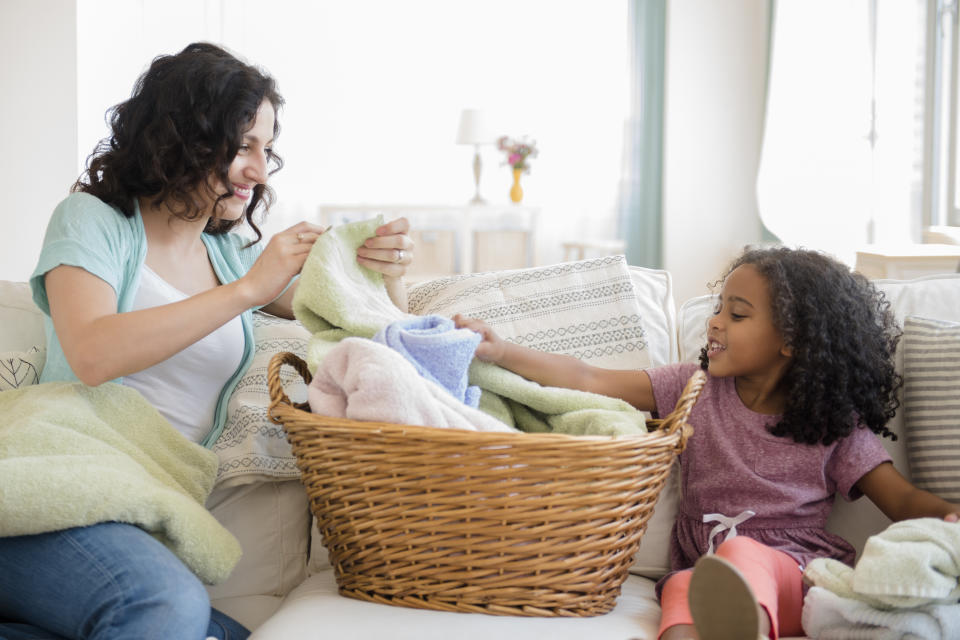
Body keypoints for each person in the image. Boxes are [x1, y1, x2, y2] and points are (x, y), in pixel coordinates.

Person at [0, 42, 414, 640]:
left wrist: (388, 272)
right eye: (242, 145)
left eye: (267, 150)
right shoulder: (93, 220)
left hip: (140, 503)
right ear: (180, 136)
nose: (259, 170)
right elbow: (92, 352)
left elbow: (366, 329)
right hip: (51, 477)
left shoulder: (226, 251)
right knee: (166, 609)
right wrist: (249, 288)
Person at [454, 246, 960, 640]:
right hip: (702, 569)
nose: (715, 321)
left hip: (794, 573)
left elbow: (903, 499)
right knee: (680, 590)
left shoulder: (833, 425)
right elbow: (590, 377)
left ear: (793, 340)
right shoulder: (690, 387)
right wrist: (501, 349)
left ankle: (749, 622)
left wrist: (949, 518)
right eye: (719, 308)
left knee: (741, 558)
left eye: (737, 315)